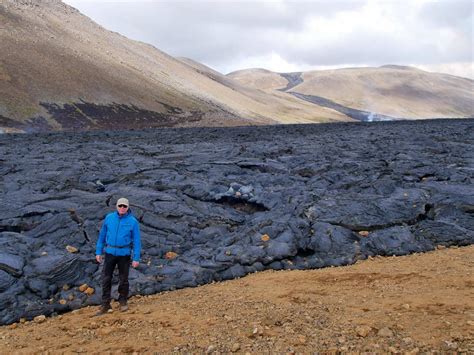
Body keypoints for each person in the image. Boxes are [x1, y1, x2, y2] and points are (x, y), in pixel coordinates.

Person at [95, 197, 141, 315]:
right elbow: (102, 235)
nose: (122, 208)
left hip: (124, 254)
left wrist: (136, 258)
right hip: (110, 252)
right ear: (116, 206)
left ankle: (123, 301)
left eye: (124, 206)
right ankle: (105, 304)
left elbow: (137, 240)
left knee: (123, 279)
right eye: (120, 206)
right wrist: (98, 251)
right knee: (106, 278)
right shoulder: (109, 218)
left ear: (128, 207)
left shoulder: (133, 222)